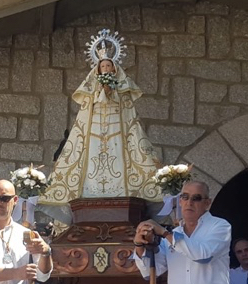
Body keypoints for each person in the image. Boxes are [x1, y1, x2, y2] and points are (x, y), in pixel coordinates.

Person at [38, 49, 160, 223]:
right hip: (94, 133)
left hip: (118, 132)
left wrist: (112, 91)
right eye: (102, 65)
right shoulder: (92, 90)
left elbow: (128, 114)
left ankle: (123, 193)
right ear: (97, 69)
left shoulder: (122, 90)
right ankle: (89, 192)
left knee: (119, 159)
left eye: (108, 65)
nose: (105, 68)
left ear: (115, 69)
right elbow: (85, 113)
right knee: (91, 158)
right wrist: (101, 90)